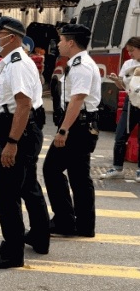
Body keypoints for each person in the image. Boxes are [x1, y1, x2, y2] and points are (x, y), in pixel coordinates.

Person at [0, 16, 49, 268]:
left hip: (19, 134)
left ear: (11, 37)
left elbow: (23, 105)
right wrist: (0, 139)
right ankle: (40, 236)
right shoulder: (11, 62)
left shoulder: (17, 64)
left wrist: (11, 142)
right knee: (28, 186)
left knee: (6, 194)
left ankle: (12, 251)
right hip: (18, 132)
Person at [43, 24, 101, 238]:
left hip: (77, 126)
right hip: (82, 124)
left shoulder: (81, 65)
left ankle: (65, 220)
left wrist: (63, 130)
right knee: (79, 176)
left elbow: (77, 99)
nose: (58, 44)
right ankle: (83, 225)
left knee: (51, 169)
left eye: (61, 40)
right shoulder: (79, 62)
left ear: (71, 42)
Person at [100, 36, 140, 181]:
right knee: (120, 134)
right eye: (128, 51)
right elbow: (122, 86)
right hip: (131, 100)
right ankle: (117, 168)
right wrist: (117, 80)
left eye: (132, 50)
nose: (130, 54)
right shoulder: (128, 64)